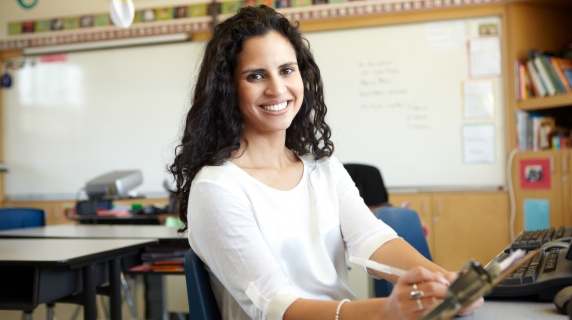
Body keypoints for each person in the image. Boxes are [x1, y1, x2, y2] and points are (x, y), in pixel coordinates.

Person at [169, 5, 483, 320]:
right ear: (227, 89)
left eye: (286, 70)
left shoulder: (323, 169)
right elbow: (275, 306)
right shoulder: (217, 188)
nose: (278, 88)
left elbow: (372, 240)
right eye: (256, 75)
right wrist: (386, 311)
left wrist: (447, 284)